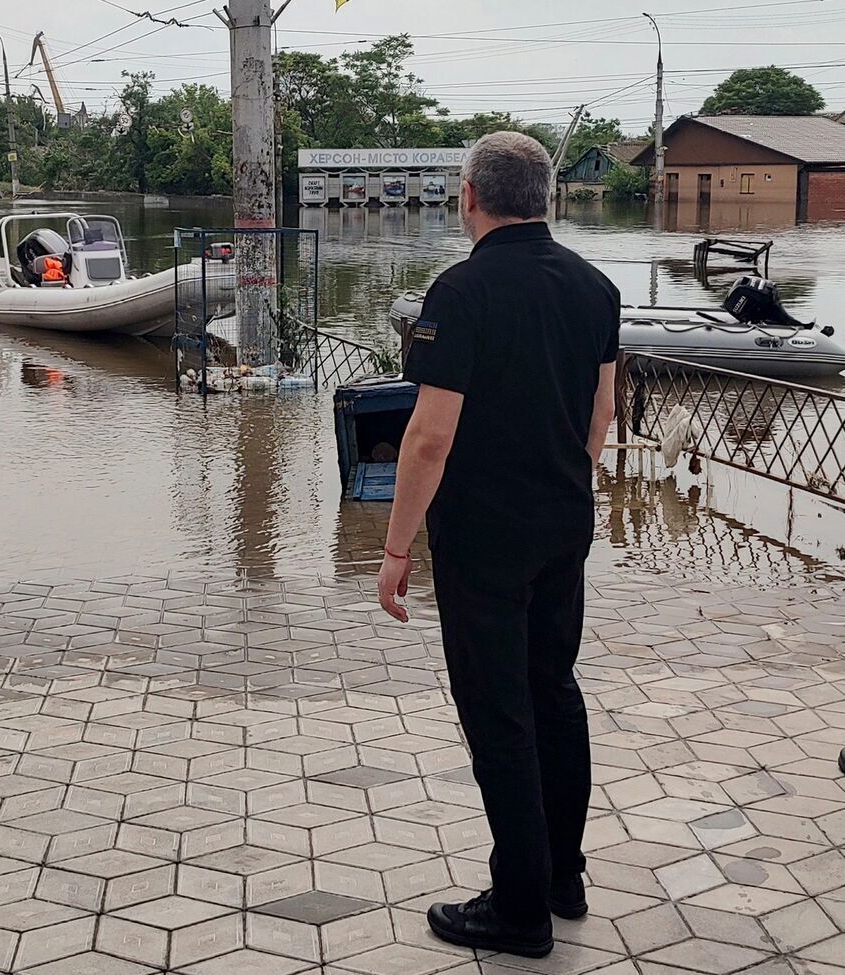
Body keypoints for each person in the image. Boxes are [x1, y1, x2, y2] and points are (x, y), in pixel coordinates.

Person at [378, 131, 619, 958]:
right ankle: (562, 875)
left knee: (499, 707)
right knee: (554, 689)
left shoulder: (463, 290)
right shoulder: (595, 286)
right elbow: (600, 416)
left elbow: (429, 438)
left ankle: (518, 905)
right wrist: (563, 489)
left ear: (470, 195)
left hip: (484, 535)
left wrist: (397, 546)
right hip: (563, 522)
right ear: (545, 196)